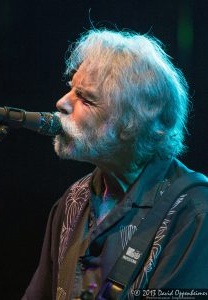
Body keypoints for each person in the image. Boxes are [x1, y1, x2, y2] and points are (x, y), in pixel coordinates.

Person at [22, 29, 208, 300]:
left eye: (85, 98)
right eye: (71, 88)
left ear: (131, 123)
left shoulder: (194, 212)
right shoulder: (74, 200)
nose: (61, 103)